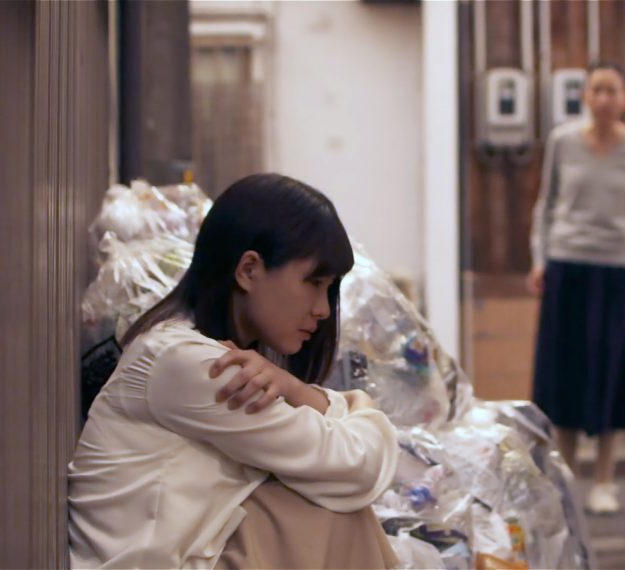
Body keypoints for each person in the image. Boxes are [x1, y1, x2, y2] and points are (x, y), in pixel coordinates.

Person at [69, 174, 401, 569]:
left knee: (319, 505)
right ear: (248, 270)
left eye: (329, 288)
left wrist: (295, 388)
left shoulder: (200, 354)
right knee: (327, 511)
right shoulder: (195, 365)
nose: (323, 309)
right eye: (314, 283)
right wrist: (317, 397)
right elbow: (356, 467)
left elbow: (355, 466)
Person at [527, 60, 625, 515]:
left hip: (618, 271)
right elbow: (545, 207)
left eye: (612, 90)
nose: (603, 99)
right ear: (585, 96)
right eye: (596, 90)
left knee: (611, 372)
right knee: (563, 374)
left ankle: (605, 480)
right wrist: (540, 260)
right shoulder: (562, 141)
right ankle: (568, 479)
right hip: (566, 265)